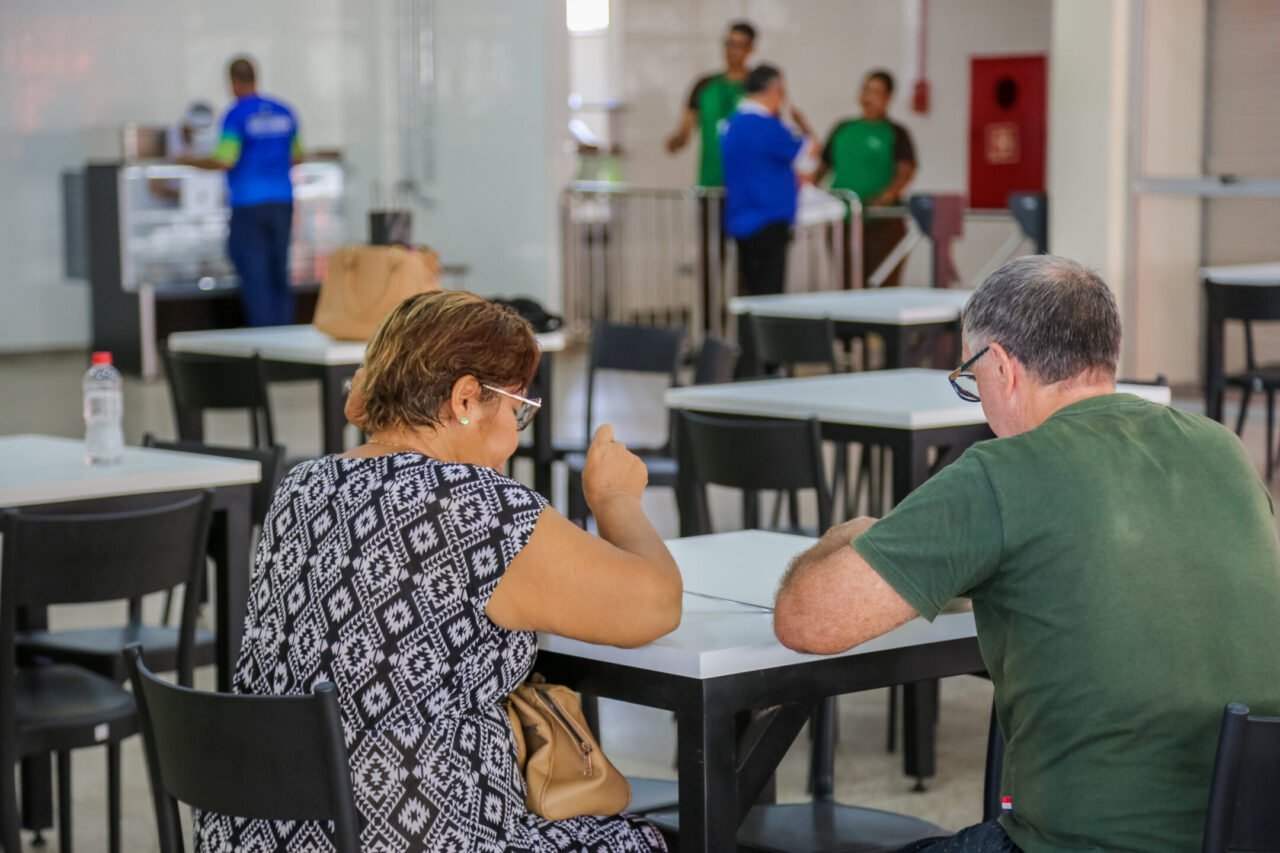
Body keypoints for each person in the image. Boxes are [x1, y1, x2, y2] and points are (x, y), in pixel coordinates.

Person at [773, 255, 1280, 852]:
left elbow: (805, 620)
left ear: (1002, 367)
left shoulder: (1002, 473)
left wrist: (856, 531)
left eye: (971, 377)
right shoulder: (1220, 449)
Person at [195, 291, 679, 852]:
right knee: (649, 840)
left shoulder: (302, 486)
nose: (516, 436)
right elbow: (657, 605)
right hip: (418, 837)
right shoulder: (476, 505)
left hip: (262, 835)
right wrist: (616, 498)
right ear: (467, 399)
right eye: (517, 408)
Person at [182, 56, 302, 327]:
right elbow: (298, 156)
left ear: (233, 82)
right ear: (256, 77)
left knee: (255, 277)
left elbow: (225, 160)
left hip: (249, 205)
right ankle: (286, 339)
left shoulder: (237, 115)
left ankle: (264, 344)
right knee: (278, 274)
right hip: (282, 201)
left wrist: (187, 160)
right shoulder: (284, 111)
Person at [816, 70, 917, 286]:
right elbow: (823, 167)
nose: (868, 97)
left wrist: (888, 195)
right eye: (865, 90)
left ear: (888, 98)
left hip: (881, 221)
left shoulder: (896, 132)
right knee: (849, 281)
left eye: (876, 92)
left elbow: (906, 169)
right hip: (844, 221)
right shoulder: (843, 128)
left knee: (881, 282)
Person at [721, 64, 816, 297]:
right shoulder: (767, 127)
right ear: (773, 89)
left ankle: (747, 334)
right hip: (769, 218)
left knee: (750, 289)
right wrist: (803, 124)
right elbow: (809, 153)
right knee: (769, 293)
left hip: (741, 218)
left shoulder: (731, 125)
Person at [666, 20, 756, 188]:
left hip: (748, 184)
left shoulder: (758, 88)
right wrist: (676, 141)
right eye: (729, 44)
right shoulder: (704, 86)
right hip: (710, 182)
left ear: (750, 48)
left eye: (738, 45)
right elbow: (685, 131)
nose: (731, 50)